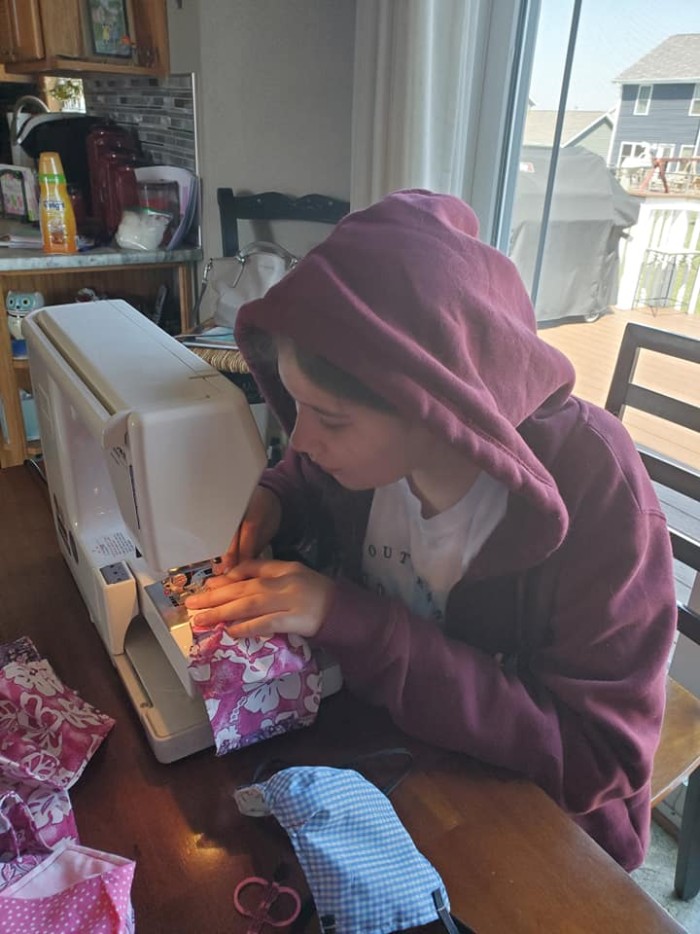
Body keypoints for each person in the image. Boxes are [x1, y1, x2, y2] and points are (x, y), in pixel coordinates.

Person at [185, 189, 676, 871]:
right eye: (294, 405)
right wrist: (271, 498)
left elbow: (596, 758)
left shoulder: (598, 490)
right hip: (406, 760)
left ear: (438, 408)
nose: (299, 438)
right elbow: (305, 472)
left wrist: (350, 620)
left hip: (544, 838)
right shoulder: (359, 458)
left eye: (328, 419)